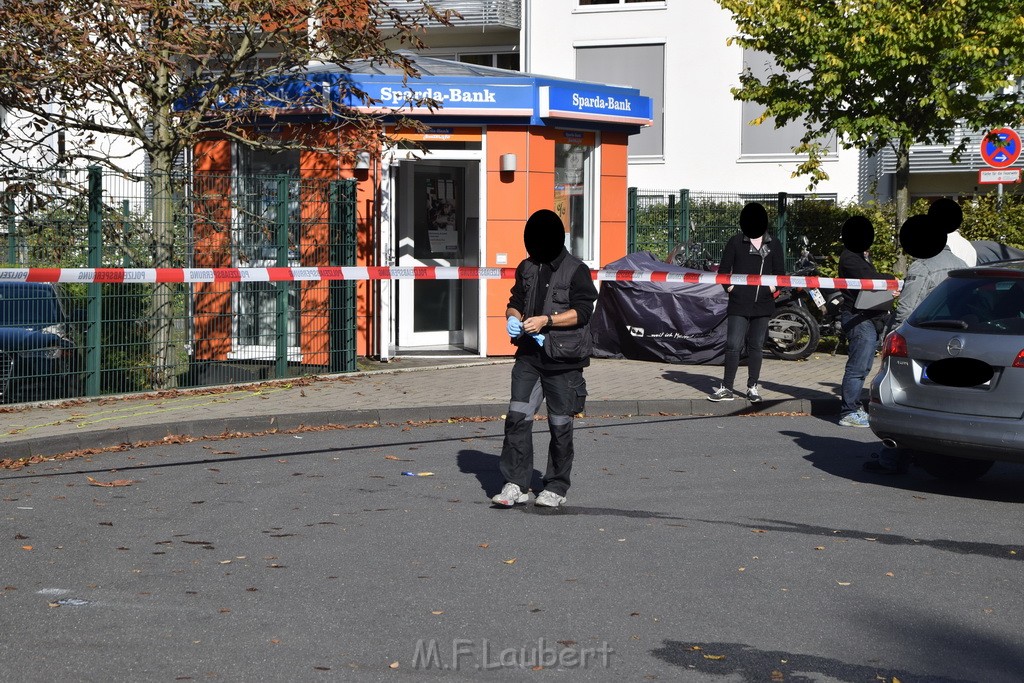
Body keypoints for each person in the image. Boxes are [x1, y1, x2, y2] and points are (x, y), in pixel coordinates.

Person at [491, 209, 598, 508]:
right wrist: (512, 319)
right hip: (528, 356)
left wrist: (547, 321)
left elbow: (583, 312)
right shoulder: (526, 267)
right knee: (516, 418)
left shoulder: (576, 270)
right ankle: (516, 483)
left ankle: (556, 486)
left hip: (563, 360)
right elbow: (515, 302)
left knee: (560, 424)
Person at [864, 213, 966, 473]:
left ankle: (892, 459)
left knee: (905, 398)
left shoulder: (922, 267)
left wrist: (890, 338)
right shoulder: (960, 263)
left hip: (922, 342)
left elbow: (906, 309)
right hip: (957, 340)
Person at [707, 202, 786, 403]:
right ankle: (727, 387)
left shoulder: (774, 244)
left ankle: (752, 386)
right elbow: (724, 272)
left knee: (756, 346)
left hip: (763, 304)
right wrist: (731, 288)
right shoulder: (735, 242)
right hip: (739, 303)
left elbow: (780, 275)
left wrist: (771, 289)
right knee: (733, 345)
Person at [836, 216, 895, 428]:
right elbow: (871, 278)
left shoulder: (859, 256)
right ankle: (848, 412)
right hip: (857, 317)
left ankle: (853, 408)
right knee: (858, 367)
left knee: (864, 365)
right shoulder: (851, 257)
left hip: (866, 316)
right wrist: (891, 279)